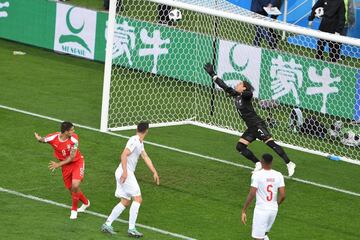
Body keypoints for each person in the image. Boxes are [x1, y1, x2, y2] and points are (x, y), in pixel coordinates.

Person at [204, 63, 296, 176]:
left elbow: (249, 93)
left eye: (239, 84)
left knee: (271, 144)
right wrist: (212, 74)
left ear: (244, 87)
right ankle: (258, 163)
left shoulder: (246, 95)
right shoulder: (236, 95)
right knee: (240, 147)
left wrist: (242, 91)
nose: (237, 85)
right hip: (251, 128)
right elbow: (225, 87)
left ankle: (289, 163)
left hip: (258, 125)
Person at [101, 122, 160, 237]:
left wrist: (154, 171)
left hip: (123, 172)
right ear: (147, 131)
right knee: (138, 199)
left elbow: (145, 156)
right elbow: (123, 155)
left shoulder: (139, 142)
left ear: (137, 129)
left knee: (125, 201)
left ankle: (107, 224)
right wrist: (125, 172)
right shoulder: (134, 140)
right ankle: (131, 229)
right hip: (125, 173)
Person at [34, 121, 90, 220]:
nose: (74, 131)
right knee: (71, 189)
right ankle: (86, 203)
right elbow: (44, 140)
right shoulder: (54, 137)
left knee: (75, 185)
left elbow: (72, 157)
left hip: (77, 163)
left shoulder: (74, 139)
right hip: (65, 166)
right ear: (65, 132)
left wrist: (57, 165)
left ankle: (74, 210)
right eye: (71, 130)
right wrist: (39, 139)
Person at [241, 154, 286, 240]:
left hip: (261, 210)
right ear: (272, 162)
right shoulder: (278, 175)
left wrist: (244, 209)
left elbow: (252, 194)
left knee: (257, 237)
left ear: (261, 161)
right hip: (273, 209)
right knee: (264, 234)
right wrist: (276, 204)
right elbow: (283, 195)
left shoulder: (257, 175)